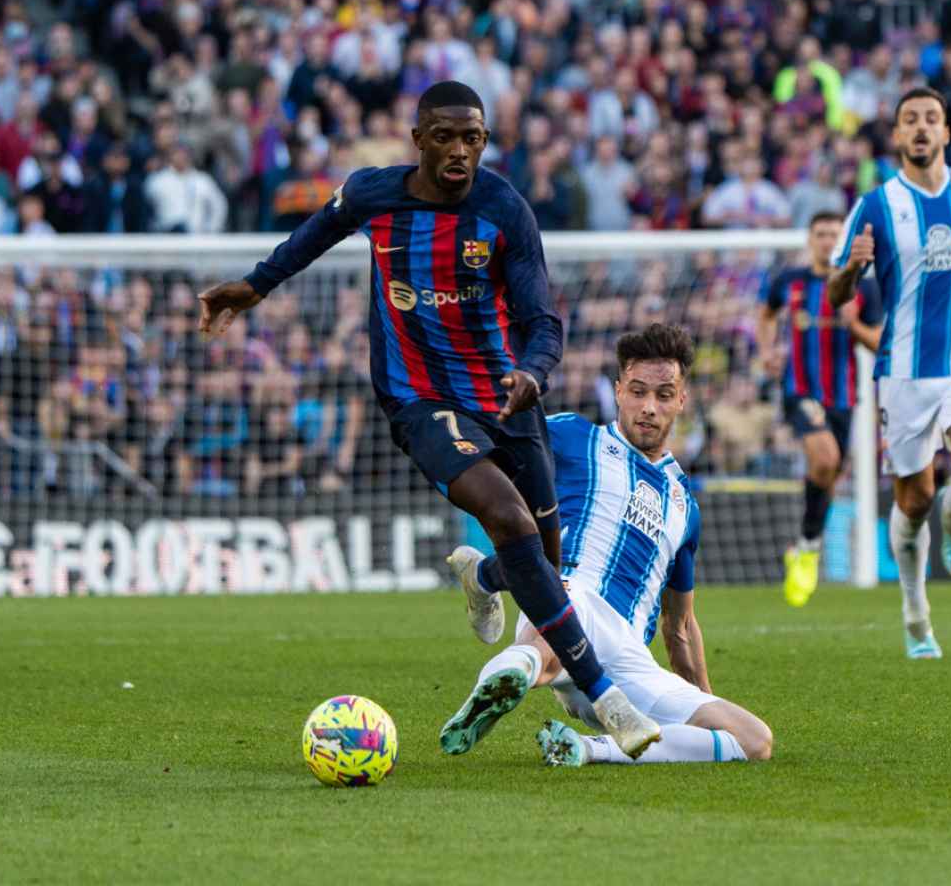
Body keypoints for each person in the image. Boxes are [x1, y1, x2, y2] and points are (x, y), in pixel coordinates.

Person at [195, 81, 659, 757]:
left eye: (473, 138)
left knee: (543, 570)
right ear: (418, 139)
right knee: (507, 519)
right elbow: (314, 234)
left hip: (505, 394)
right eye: (445, 136)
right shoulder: (373, 194)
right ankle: (607, 697)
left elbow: (542, 319)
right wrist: (256, 285)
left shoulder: (505, 209)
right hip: (417, 398)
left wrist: (534, 372)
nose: (459, 151)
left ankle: (484, 578)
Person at [438, 324, 773, 766]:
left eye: (663, 395)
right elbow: (495, 443)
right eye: (637, 392)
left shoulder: (684, 505)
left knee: (753, 740)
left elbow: (681, 627)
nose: (648, 408)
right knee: (563, 621)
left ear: (682, 400)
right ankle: (511, 671)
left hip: (630, 661)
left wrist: (699, 700)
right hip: (568, 600)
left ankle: (585, 748)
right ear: (617, 391)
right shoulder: (573, 437)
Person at [827, 87, 951, 660]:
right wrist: (853, 269)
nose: (920, 128)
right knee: (912, 503)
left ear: (945, 133)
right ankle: (916, 616)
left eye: (931, 119)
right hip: (904, 371)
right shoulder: (874, 205)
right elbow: (836, 290)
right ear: (896, 136)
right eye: (909, 120)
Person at [756, 211, 882, 607]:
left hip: (843, 398)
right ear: (810, 239)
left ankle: (806, 546)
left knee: (827, 471)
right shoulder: (789, 281)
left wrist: (854, 326)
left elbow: (878, 342)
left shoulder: (864, 286)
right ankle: (808, 547)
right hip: (800, 389)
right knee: (825, 456)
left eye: (834, 234)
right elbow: (766, 312)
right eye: (821, 233)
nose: (828, 241)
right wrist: (767, 351)